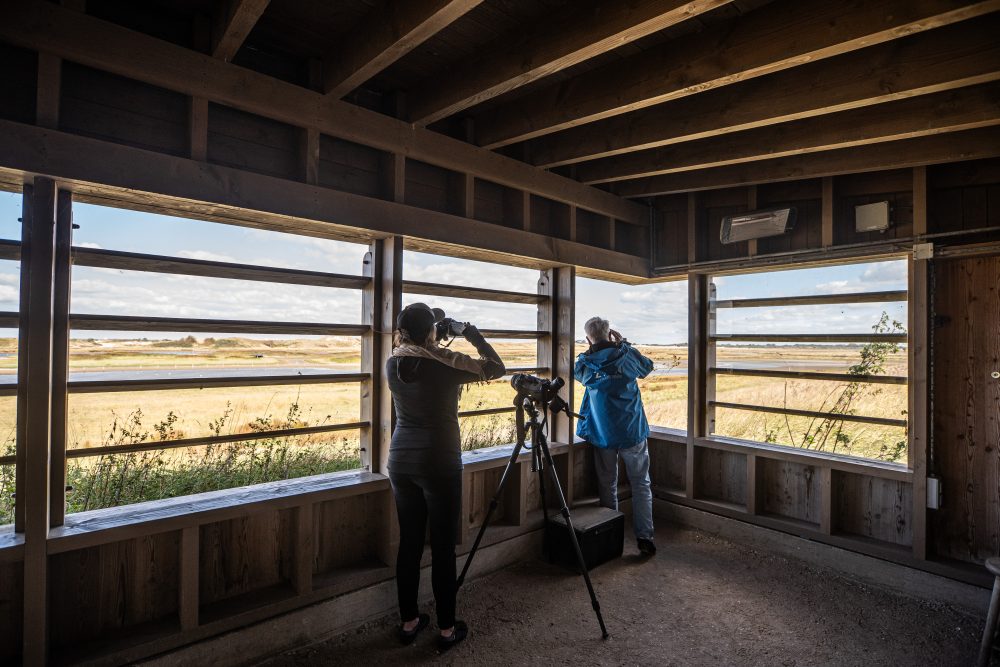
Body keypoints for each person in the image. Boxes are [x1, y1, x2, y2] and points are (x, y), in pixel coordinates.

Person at [386, 302, 505, 651]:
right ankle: (447, 629)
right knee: (441, 547)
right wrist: (470, 333)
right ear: (430, 332)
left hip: (400, 461)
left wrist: (435, 329)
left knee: (409, 543)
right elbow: (496, 368)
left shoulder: (394, 361)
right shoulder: (447, 365)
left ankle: (408, 622)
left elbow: (420, 346)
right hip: (439, 461)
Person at [574, 316, 657, 556]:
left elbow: (578, 374)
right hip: (632, 431)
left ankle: (611, 538)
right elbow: (647, 366)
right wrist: (625, 346)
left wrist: (593, 349)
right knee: (641, 484)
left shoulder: (586, 364)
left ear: (589, 337)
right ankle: (645, 537)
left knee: (607, 484)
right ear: (610, 334)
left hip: (603, 434)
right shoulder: (626, 356)